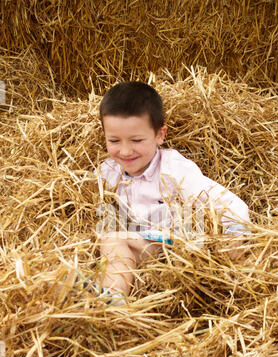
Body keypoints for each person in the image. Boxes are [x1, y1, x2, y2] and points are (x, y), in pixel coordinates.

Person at [91, 81, 250, 305]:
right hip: (142, 248)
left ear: (159, 135)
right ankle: (113, 300)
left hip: (181, 251)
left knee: (113, 239)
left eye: (136, 140)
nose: (125, 151)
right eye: (114, 141)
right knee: (111, 241)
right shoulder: (107, 172)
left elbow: (231, 205)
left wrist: (234, 241)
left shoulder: (174, 169)